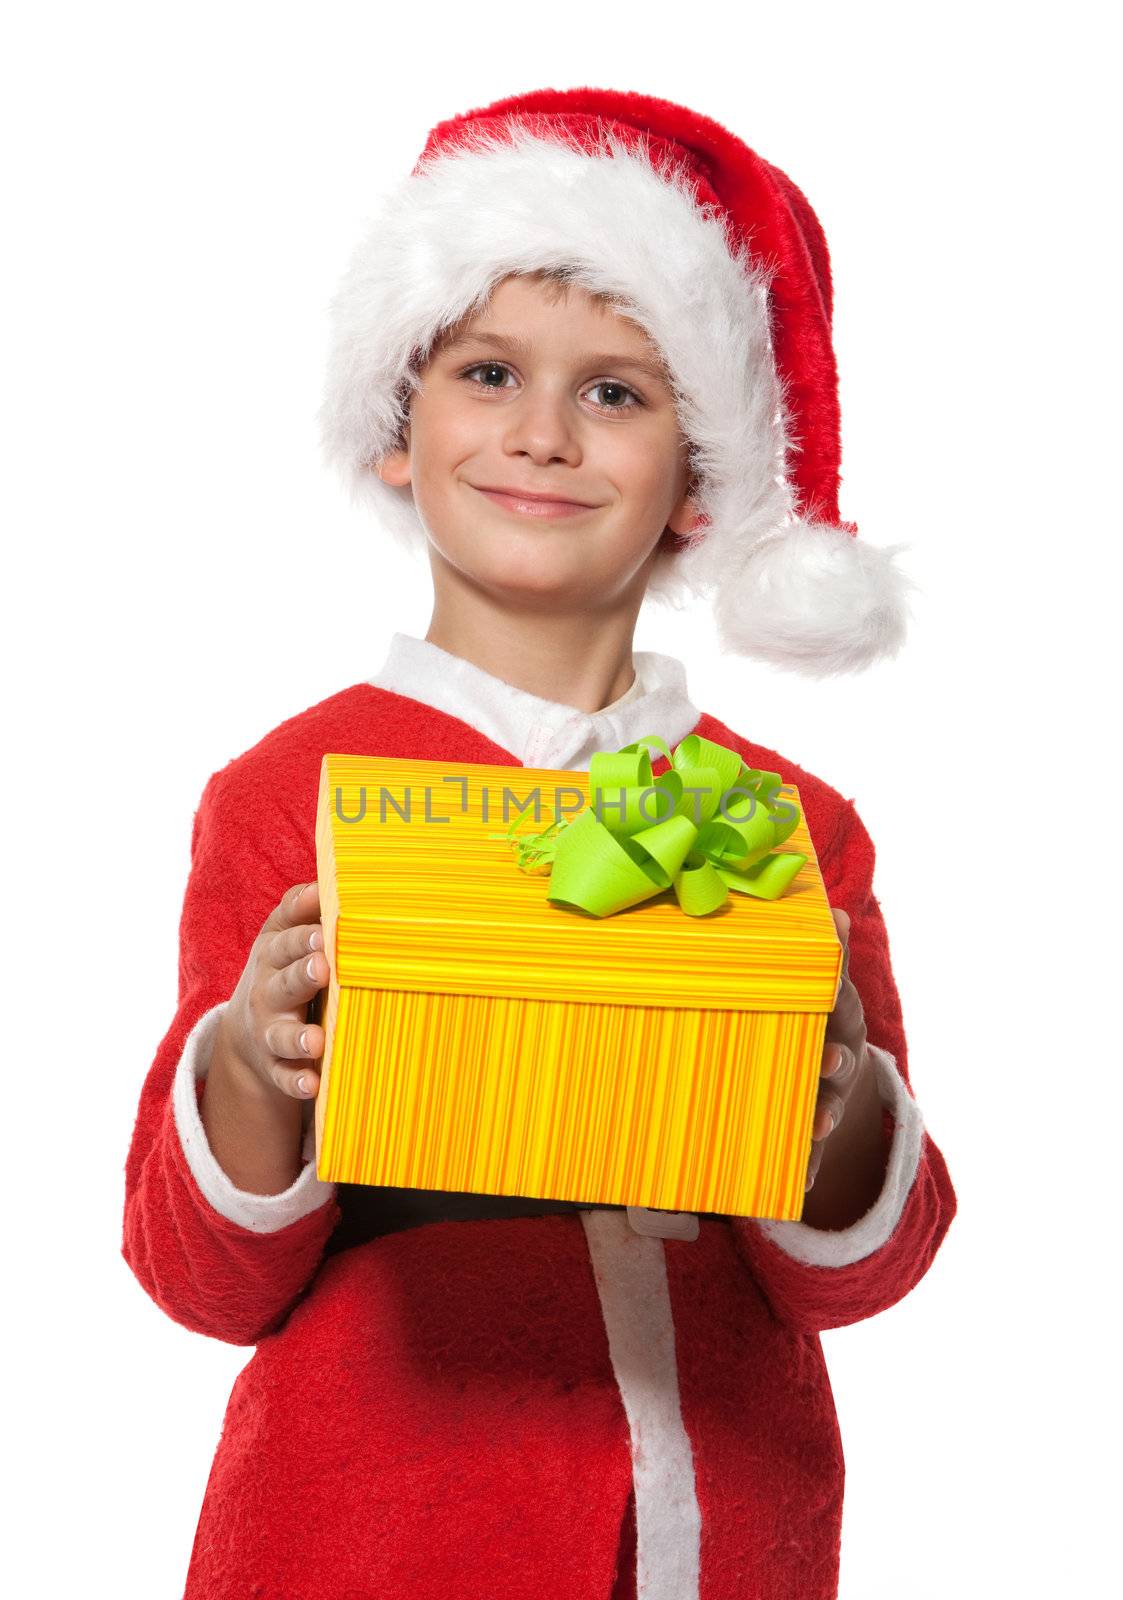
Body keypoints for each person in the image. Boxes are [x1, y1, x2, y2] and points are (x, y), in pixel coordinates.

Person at [121, 86, 958, 1600]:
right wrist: (249, 1065)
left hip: (725, 1530)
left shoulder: (791, 828)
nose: (542, 435)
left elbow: (861, 1273)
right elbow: (199, 1276)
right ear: (398, 426)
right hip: (370, 1533)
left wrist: (835, 1100)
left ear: (702, 482)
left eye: (620, 394)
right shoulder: (284, 792)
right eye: (489, 370)